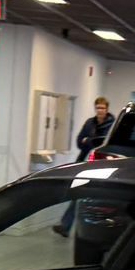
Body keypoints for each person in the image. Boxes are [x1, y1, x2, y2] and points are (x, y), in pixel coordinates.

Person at [53, 97, 113, 236]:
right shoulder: (89, 123)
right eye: (98, 108)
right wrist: (90, 141)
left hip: (103, 166)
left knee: (96, 198)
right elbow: (80, 142)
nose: (100, 111)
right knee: (77, 193)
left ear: (107, 109)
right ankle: (66, 225)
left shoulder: (112, 125)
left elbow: (104, 144)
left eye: (103, 108)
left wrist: (89, 140)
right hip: (85, 163)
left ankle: (96, 230)